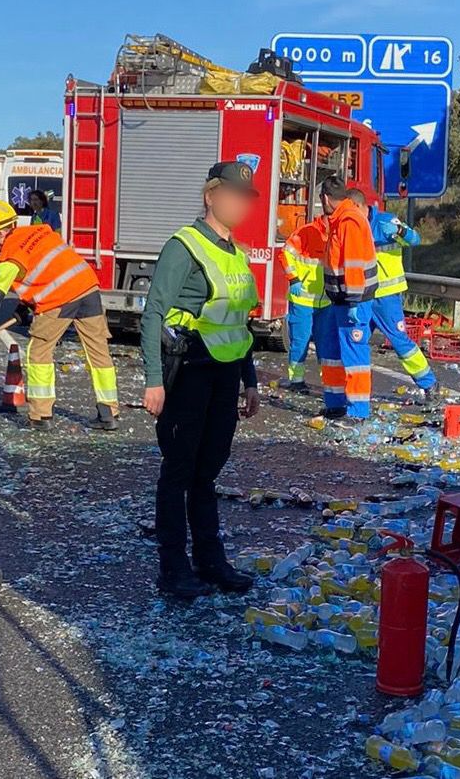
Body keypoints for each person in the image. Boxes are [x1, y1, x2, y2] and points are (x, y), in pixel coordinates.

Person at [140, 161, 262, 598]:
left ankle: (211, 562)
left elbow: (238, 322)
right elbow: (153, 313)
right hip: (188, 369)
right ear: (211, 196)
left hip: (225, 373)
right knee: (179, 472)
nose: (239, 203)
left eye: (245, 197)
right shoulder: (185, 246)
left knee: (207, 473)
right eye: (231, 194)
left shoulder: (237, 253)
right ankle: (173, 569)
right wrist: (154, 380)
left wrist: (249, 380)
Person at [0, 200, 119, 428]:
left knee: (39, 352)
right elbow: (46, 270)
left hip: (60, 299)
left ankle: (41, 415)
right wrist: (25, 308)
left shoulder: (9, 256)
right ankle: (109, 412)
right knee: (98, 352)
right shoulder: (40, 231)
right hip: (88, 287)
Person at [348, 189, 440, 403]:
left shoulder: (385, 221)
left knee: (399, 341)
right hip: (362, 295)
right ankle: (354, 395)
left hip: (386, 296)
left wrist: (399, 231)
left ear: (358, 206)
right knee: (355, 341)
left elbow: (415, 239)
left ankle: (429, 382)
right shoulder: (352, 226)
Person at [318, 178, 378, 420]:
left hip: (354, 300)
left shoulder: (349, 221)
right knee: (332, 349)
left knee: (354, 356)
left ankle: (358, 411)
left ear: (325, 198)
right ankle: (335, 403)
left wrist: (353, 301)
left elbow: (353, 265)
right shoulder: (340, 219)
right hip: (341, 300)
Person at [281, 214, 328, 391]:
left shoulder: (338, 233)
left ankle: (329, 382)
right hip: (303, 298)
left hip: (326, 301)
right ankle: (296, 380)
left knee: (326, 344)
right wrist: (293, 279)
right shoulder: (306, 232)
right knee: (300, 342)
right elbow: (285, 254)